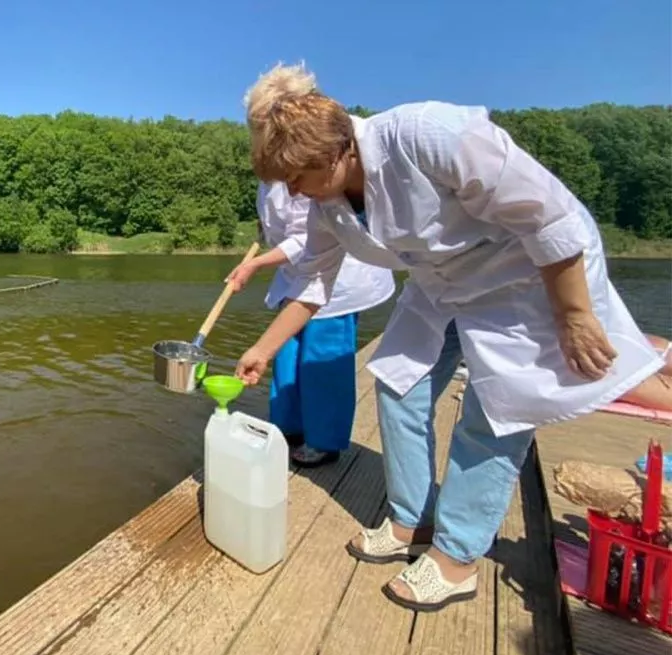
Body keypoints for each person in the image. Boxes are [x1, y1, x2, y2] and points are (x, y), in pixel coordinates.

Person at [230, 62, 664, 613]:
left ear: (335, 153)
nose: (293, 192)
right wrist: (264, 348)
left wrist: (574, 314)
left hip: (526, 276)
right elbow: (315, 281)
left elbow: (548, 216)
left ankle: (457, 556)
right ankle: (413, 519)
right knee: (397, 384)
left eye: (297, 178)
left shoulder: (427, 133)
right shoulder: (327, 203)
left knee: (495, 413)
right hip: (441, 285)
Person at [227, 181, 395, 467]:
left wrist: (255, 264)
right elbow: (280, 224)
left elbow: (306, 238)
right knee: (286, 354)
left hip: (338, 278)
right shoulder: (267, 180)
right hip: (296, 277)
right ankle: (288, 427)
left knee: (322, 361)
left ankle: (324, 441)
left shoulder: (307, 177)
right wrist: (266, 230)